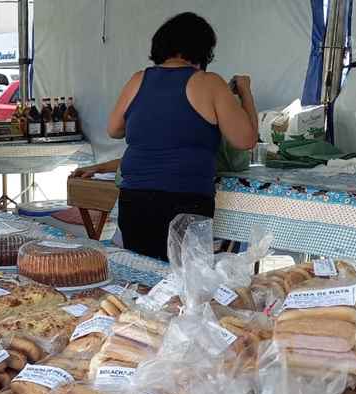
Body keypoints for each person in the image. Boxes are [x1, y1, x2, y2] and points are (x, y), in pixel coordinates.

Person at [107, 12, 258, 260]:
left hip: (134, 200)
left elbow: (114, 130)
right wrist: (245, 92)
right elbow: (246, 140)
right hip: (186, 201)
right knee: (184, 281)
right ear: (203, 50)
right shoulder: (210, 83)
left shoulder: (138, 79)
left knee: (143, 274)